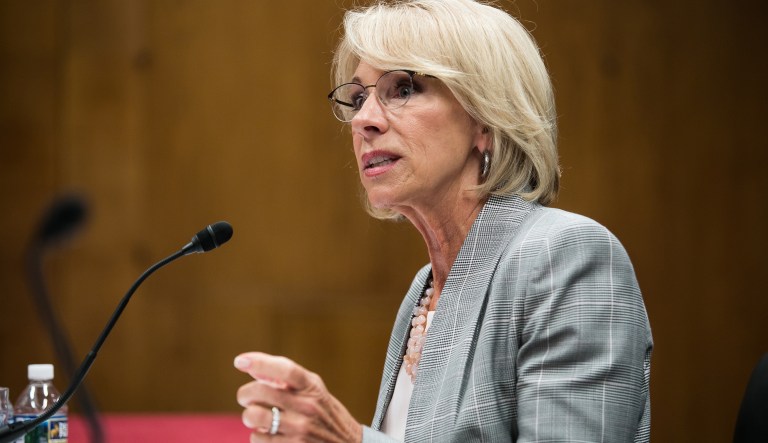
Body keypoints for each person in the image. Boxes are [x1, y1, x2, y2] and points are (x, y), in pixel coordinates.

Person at [234, 0, 653, 441]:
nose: (364, 121)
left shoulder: (565, 257)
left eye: (403, 89)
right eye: (358, 98)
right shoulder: (425, 291)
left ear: (486, 118)